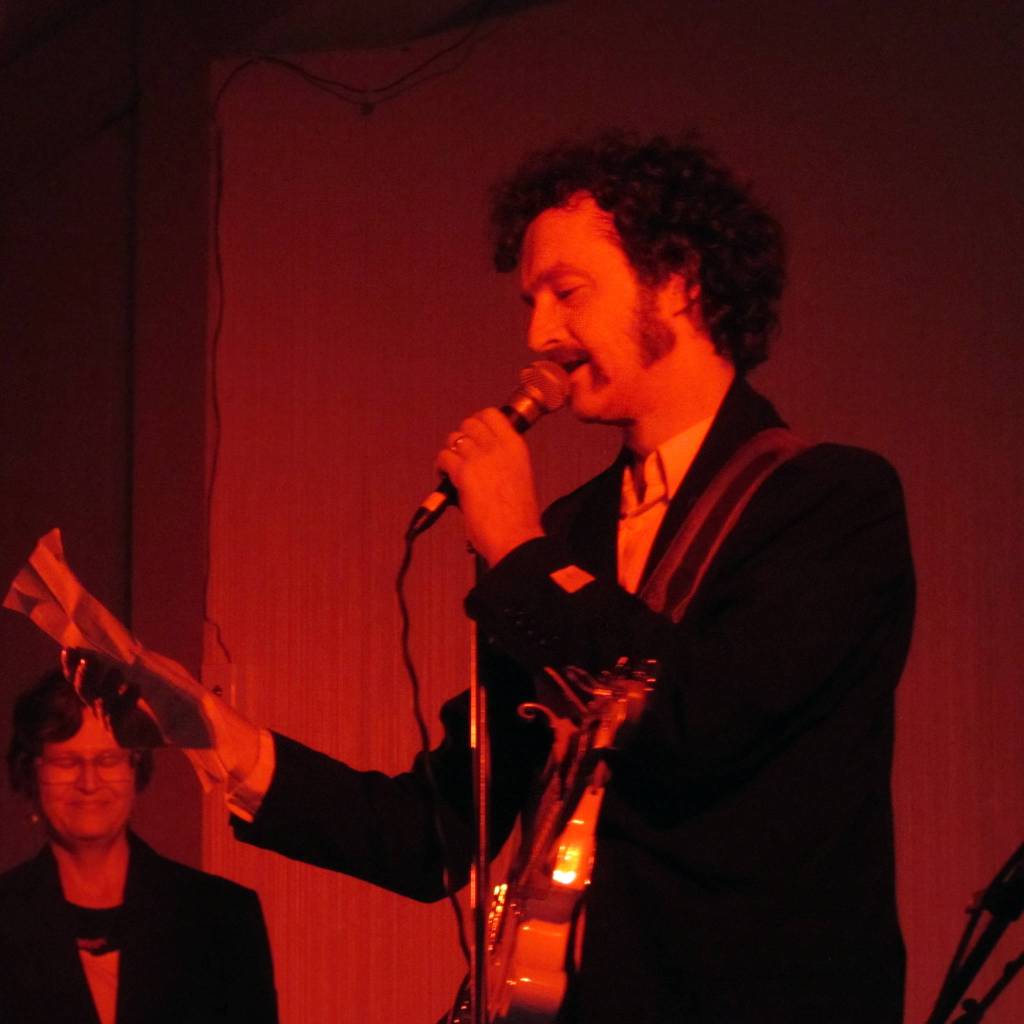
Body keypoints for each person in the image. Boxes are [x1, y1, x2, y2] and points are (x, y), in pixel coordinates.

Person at [70, 130, 915, 1022]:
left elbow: (695, 725)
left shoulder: (830, 501)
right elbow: (437, 833)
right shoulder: (570, 535)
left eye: (567, 293)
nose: (537, 336)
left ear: (678, 281)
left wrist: (516, 548)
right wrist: (211, 730)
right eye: (531, 301)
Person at [0, 667, 279, 1024]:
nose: (89, 782)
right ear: (31, 772)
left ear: (136, 769)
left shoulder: (220, 918)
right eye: (66, 762)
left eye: (108, 759)